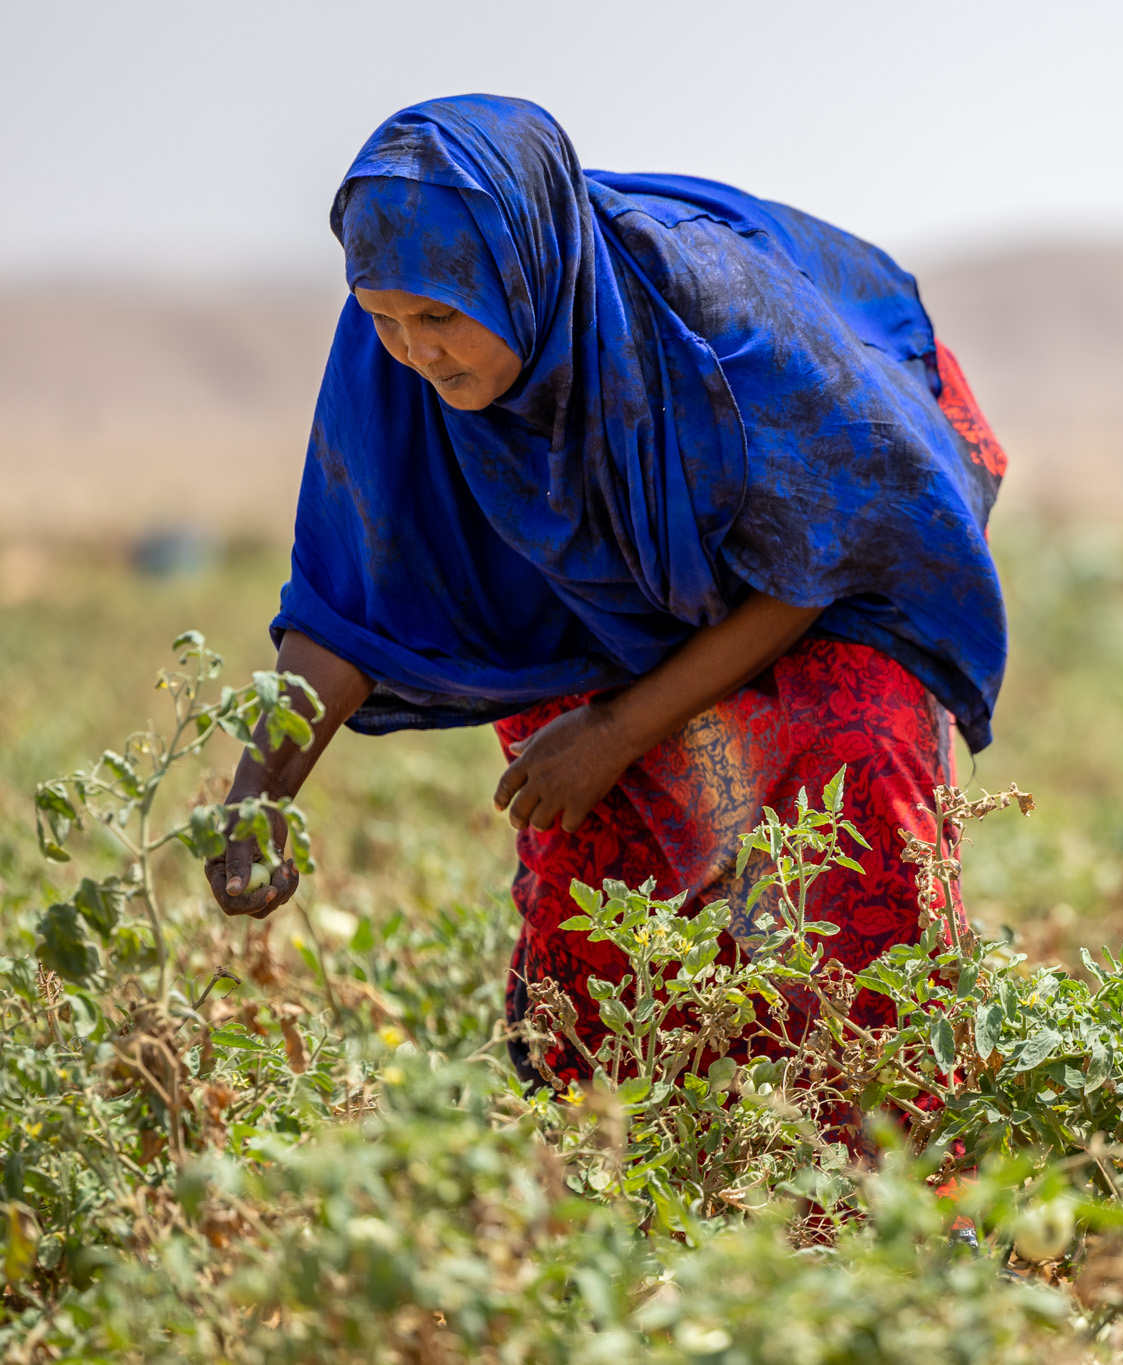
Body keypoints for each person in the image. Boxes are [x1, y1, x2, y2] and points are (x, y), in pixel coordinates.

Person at [204, 95, 1008, 1090]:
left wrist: (618, 728)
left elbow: (817, 554)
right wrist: (259, 795)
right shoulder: (389, 356)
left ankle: (878, 1167)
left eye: (442, 319)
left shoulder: (707, 305)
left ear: (521, 274)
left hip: (841, 554)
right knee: (598, 883)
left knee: (843, 788)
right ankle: (631, 1178)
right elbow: (344, 599)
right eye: (387, 320)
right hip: (614, 616)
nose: (417, 353)